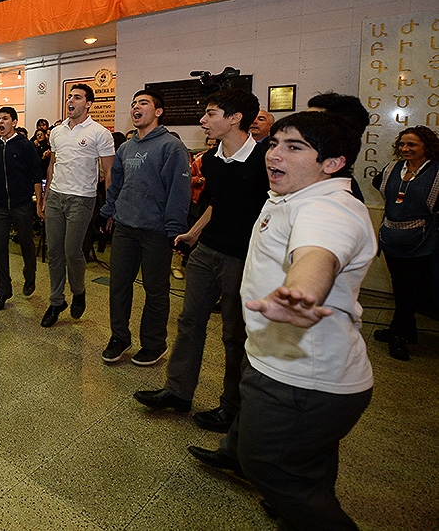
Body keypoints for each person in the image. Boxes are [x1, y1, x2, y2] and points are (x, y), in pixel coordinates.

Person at [188, 111, 377, 531]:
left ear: (333, 163)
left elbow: (317, 254)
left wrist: (301, 293)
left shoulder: (329, 209)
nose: (274, 154)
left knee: (272, 469)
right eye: (274, 143)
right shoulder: (291, 195)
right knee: (306, 468)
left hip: (302, 379)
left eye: (294, 147)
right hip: (278, 360)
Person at [134, 89, 267, 432]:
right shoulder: (211, 160)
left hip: (243, 257)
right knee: (189, 321)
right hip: (207, 251)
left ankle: (232, 408)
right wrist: (193, 233)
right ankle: (178, 392)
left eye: (211, 114)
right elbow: (214, 204)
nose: (203, 120)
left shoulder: (264, 161)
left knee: (234, 335)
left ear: (235, 118)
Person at [100, 90, 191, 365]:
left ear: (158, 112)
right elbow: (116, 186)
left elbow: (179, 191)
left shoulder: (171, 147)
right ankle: (119, 338)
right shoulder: (126, 148)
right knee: (118, 286)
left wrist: (175, 230)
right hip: (125, 227)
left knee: (155, 289)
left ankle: (154, 343)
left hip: (156, 230)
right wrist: (108, 211)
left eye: (143, 103)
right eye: (133, 103)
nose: (136, 107)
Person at [41, 83, 114, 326]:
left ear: (88, 103)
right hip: (55, 196)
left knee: (72, 251)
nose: (71, 101)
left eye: (78, 97)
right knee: (54, 252)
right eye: (70, 97)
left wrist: (110, 207)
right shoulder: (56, 131)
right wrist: (45, 195)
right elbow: (53, 164)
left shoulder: (99, 133)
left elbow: (109, 172)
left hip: (81, 199)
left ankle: (79, 291)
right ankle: (56, 301)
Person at [370, 126, 439, 360]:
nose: (405, 149)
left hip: (421, 242)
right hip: (391, 240)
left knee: (410, 290)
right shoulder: (392, 168)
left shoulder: (436, 172)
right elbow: (378, 184)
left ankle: (398, 334)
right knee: (400, 286)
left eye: (412, 144)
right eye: (402, 144)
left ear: (427, 147)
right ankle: (406, 330)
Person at [0, 107, 44, 311]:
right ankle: (2, 291)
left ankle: (30, 274)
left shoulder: (25, 145)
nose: (1, 122)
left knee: (26, 242)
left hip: (22, 204)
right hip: (0, 205)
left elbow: (36, 175)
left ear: (15, 122)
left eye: (5, 119)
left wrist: (39, 202)